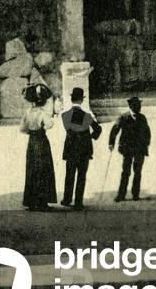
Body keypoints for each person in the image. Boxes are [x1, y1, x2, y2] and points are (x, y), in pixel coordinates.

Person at [61, 86, 102, 210]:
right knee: (81, 175)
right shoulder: (87, 116)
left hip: (71, 149)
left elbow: (70, 128)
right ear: (82, 100)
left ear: (72, 99)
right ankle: (78, 202)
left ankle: (67, 200)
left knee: (69, 175)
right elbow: (98, 129)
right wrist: (90, 137)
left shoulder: (65, 115)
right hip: (84, 149)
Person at [19, 82, 58, 211]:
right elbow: (50, 124)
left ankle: (31, 201)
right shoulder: (42, 113)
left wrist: (31, 130)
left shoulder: (27, 112)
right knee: (43, 169)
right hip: (41, 140)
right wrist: (41, 127)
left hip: (31, 141)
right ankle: (42, 202)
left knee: (32, 170)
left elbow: (22, 128)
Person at [108, 96, 151, 202]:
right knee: (126, 172)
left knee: (138, 172)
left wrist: (146, 143)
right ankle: (121, 195)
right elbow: (115, 129)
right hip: (127, 149)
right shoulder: (123, 117)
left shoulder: (142, 118)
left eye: (139, 105)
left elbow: (147, 131)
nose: (138, 107)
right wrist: (111, 143)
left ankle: (135, 194)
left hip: (139, 149)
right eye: (136, 106)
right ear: (131, 107)